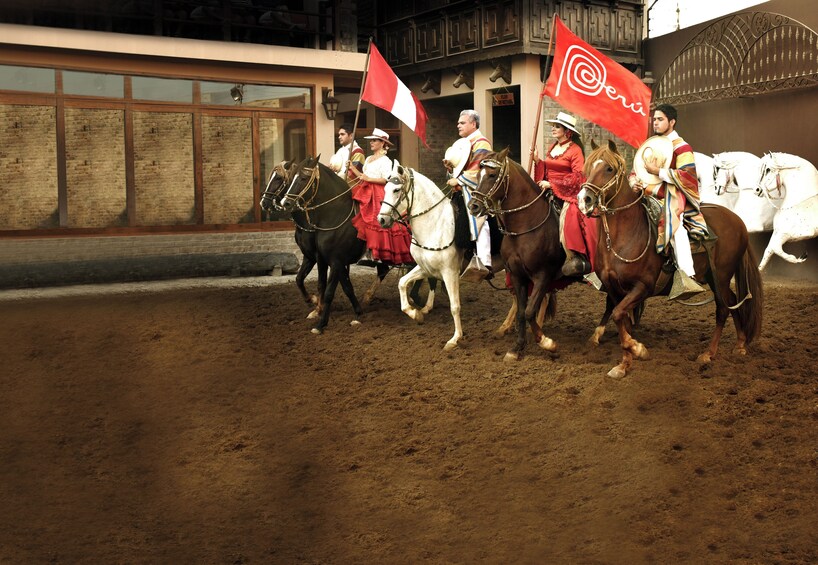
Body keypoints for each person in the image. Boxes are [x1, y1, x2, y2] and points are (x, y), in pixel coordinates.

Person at [630, 104, 709, 300]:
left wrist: (659, 172)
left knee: (676, 227)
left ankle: (686, 275)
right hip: (645, 193)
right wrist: (634, 182)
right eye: (654, 119)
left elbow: (688, 177)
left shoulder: (682, 147)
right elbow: (636, 171)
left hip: (672, 195)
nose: (655, 122)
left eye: (660, 119)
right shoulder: (650, 144)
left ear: (671, 122)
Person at [533, 111, 598, 278]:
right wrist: (538, 162)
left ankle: (574, 256)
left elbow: (578, 176)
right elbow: (547, 169)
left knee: (572, 213)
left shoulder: (575, 150)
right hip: (547, 187)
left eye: (557, 126)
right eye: (553, 126)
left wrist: (553, 184)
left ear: (567, 131)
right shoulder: (552, 146)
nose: (553, 129)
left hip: (568, 190)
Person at [348, 128, 413, 265]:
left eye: (374, 140)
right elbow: (363, 176)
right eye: (371, 140)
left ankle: (375, 252)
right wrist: (353, 169)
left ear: (383, 143)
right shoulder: (369, 159)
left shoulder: (386, 160)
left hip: (377, 192)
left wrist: (369, 179)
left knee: (374, 219)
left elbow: (385, 179)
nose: (371, 142)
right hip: (365, 188)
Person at [444, 109, 493, 281]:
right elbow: (460, 167)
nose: (458, 125)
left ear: (473, 124)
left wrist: (459, 180)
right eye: (458, 122)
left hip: (478, 191)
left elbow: (480, 169)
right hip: (461, 190)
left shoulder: (482, 143)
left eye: (462, 122)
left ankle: (485, 262)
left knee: (480, 220)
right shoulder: (462, 143)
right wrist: (451, 169)